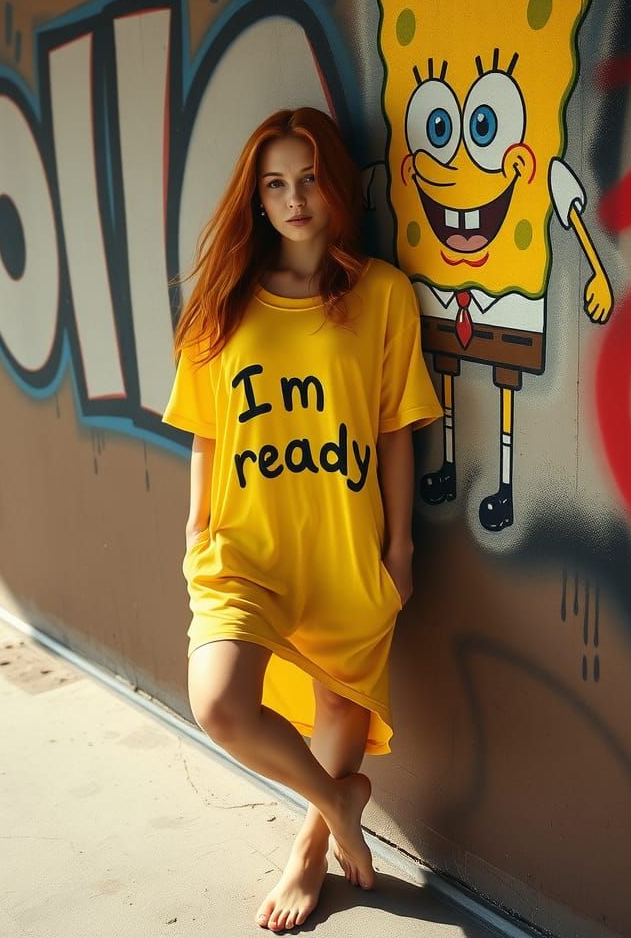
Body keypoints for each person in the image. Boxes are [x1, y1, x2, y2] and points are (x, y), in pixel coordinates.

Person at [161, 107, 442, 932]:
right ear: (256, 198)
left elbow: (395, 429)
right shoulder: (225, 301)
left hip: (344, 543)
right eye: (276, 183)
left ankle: (308, 851)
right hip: (246, 545)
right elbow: (207, 431)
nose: (294, 198)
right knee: (219, 704)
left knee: (337, 709)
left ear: (336, 185)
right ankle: (338, 799)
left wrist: (400, 545)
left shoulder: (381, 296)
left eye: (309, 178)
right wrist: (195, 527)